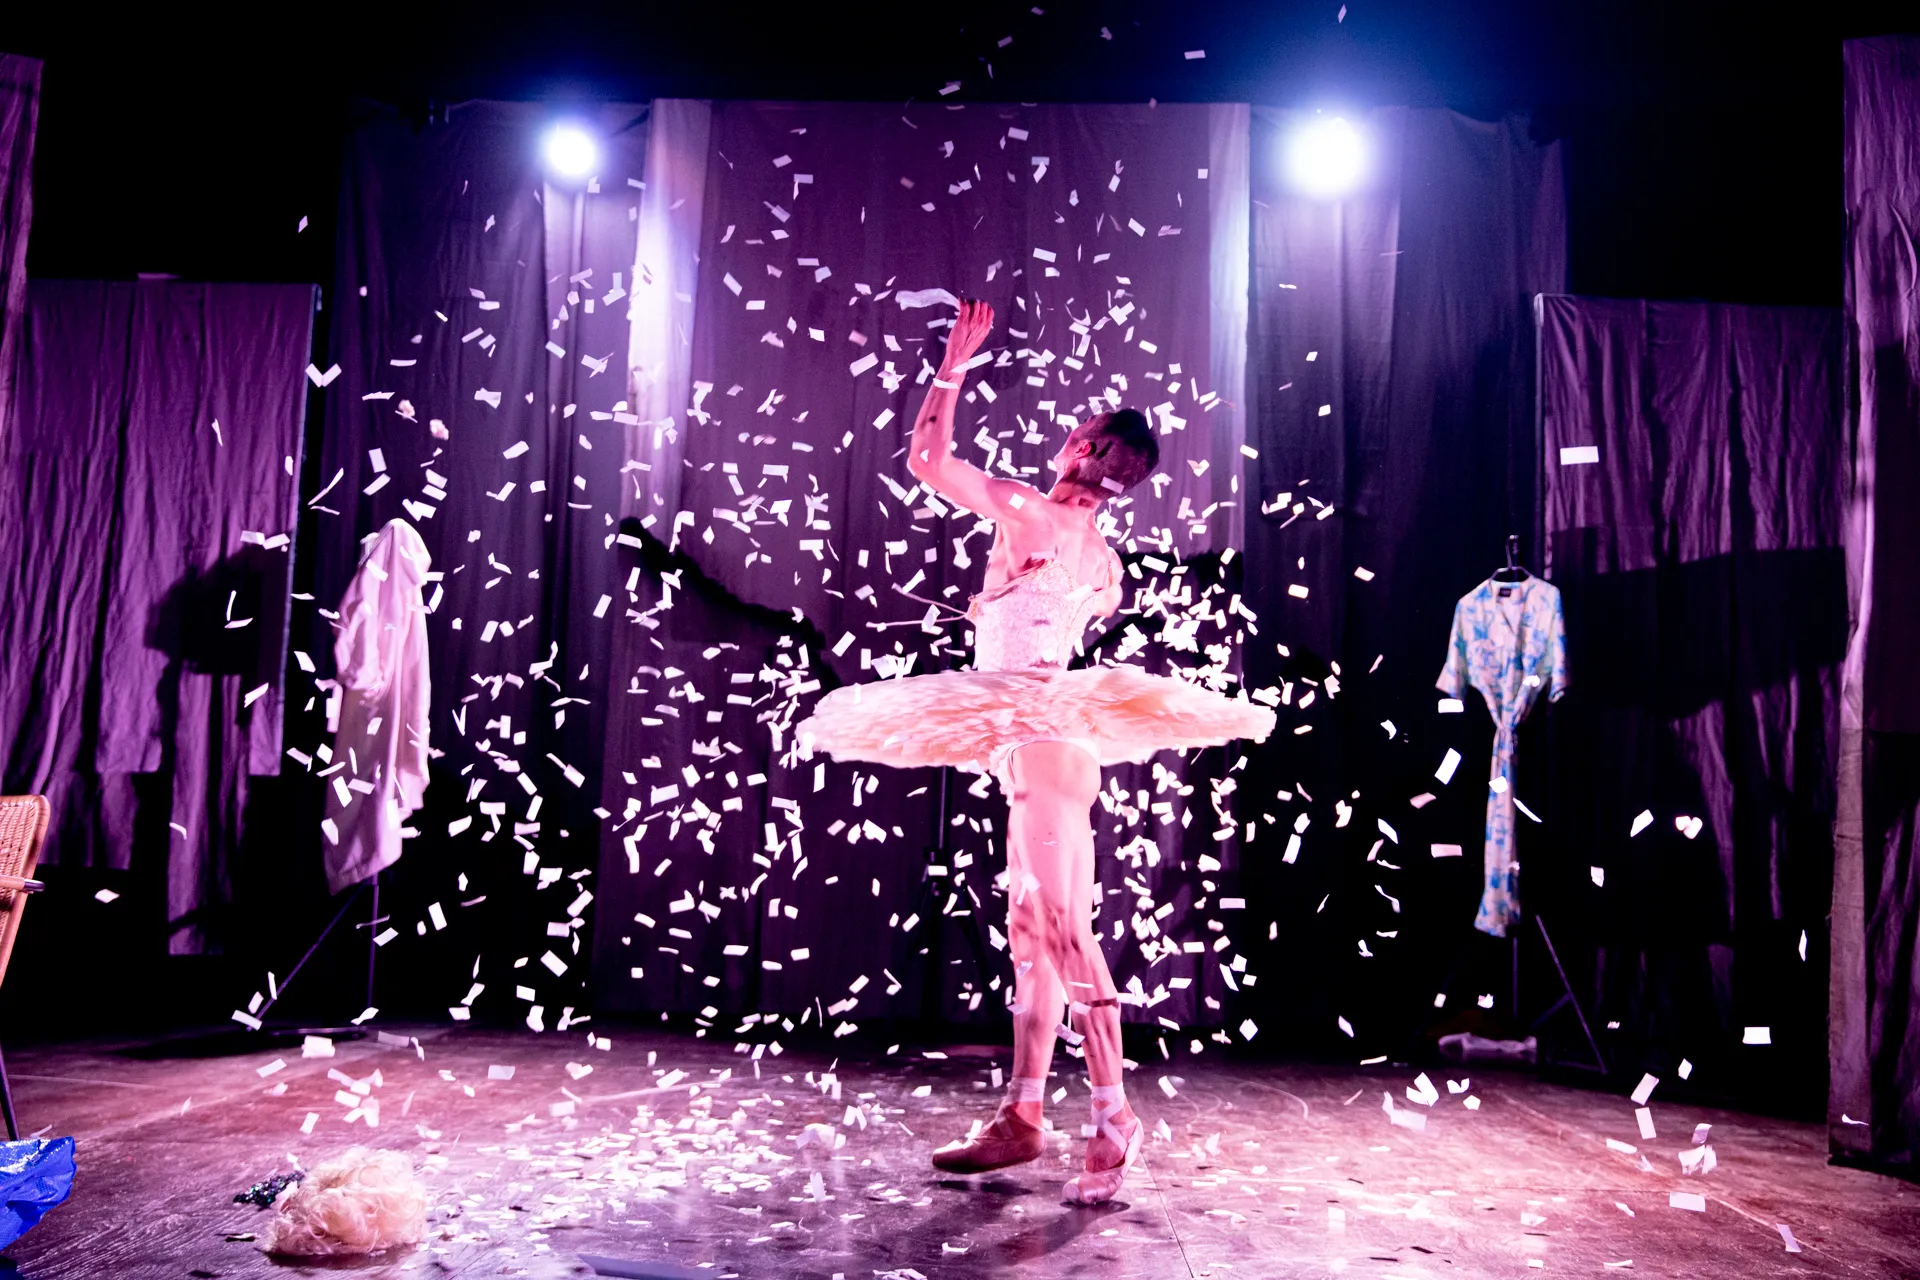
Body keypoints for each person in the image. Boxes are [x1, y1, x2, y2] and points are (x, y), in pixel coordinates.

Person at [798, 299, 1275, 1205]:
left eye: (1082, 436)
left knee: (1059, 927)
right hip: (1038, 740)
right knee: (1028, 933)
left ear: (1082, 451)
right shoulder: (1104, 559)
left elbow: (928, 460)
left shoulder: (1027, 511)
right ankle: (1022, 1114)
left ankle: (1112, 1111)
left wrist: (953, 364)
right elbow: (1050, 625)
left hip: (1044, 741)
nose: (1069, 441)